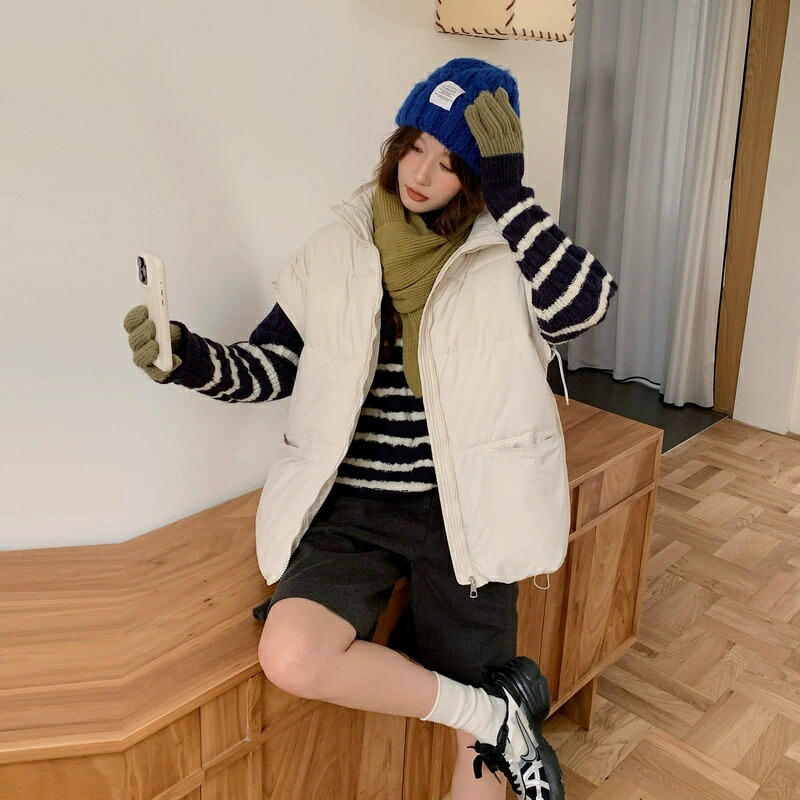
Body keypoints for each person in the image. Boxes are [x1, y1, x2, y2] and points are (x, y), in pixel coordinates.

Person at [124, 58, 618, 800]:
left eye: (449, 163)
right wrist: (185, 358)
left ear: (477, 179)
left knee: (475, 757)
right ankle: (497, 714)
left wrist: (513, 195)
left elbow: (585, 307)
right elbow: (272, 366)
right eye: (415, 146)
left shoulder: (505, 255)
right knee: (292, 655)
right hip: (353, 510)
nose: (420, 173)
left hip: (467, 515)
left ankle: (487, 726)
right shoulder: (338, 249)